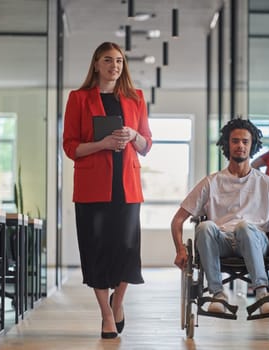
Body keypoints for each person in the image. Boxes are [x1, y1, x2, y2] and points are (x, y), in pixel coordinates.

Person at [62, 42, 152, 339]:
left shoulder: (136, 98)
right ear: (96, 64)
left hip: (127, 187)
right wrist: (103, 144)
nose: (115, 65)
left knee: (126, 249)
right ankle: (105, 315)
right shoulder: (78, 98)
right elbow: (70, 146)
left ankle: (119, 300)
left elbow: (147, 145)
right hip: (91, 189)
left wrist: (134, 135)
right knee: (96, 250)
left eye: (119, 60)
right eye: (108, 60)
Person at [171, 117, 269, 315]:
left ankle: (262, 292)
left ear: (252, 145)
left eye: (245, 141)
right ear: (227, 145)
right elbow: (178, 219)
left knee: (244, 227)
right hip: (221, 241)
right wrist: (180, 249)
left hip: (255, 239)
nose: (240, 145)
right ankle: (218, 295)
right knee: (204, 227)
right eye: (235, 141)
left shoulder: (266, 183)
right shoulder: (211, 182)